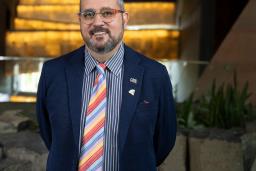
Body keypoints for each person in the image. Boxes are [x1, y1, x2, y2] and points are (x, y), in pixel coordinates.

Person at [36, 0, 176, 170]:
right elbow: (48, 134)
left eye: (107, 13)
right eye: (88, 14)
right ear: (79, 20)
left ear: (124, 18)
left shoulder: (155, 75)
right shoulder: (53, 72)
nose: (97, 22)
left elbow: (164, 142)